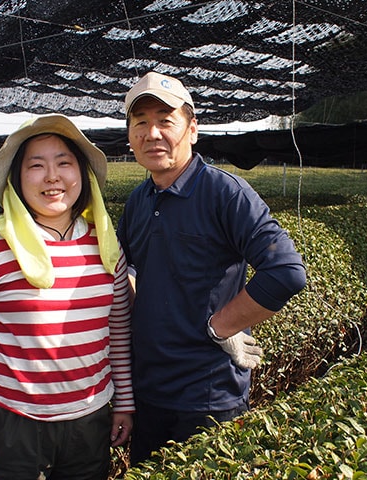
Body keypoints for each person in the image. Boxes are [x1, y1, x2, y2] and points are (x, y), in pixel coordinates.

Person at [116, 72, 307, 465]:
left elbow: (285, 271)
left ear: (193, 129)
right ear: (131, 135)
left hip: (206, 395)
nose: (152, 133)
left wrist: (222, 325)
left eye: (165, 121)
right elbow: (128, 267)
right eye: (141, 123)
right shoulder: (138, 199)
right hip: (148, 389)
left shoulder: (225, 193)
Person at [0, 114, 134, 480]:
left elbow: (118, 335)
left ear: (84, 175)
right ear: (16, 178)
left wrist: (124, 401)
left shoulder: (108, 248)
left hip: (90, 419)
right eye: (36, 166)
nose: (52, 177)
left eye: (64, 163)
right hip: (9, 422)